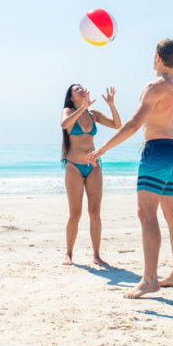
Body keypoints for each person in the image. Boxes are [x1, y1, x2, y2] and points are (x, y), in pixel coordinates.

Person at [86, 39, 173, 299]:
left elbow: (134, 123)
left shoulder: (154, 86)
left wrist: (103, 148)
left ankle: (150, 279)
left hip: (157, 150)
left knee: (146, 214)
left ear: (158, 58)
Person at [60, 85, 121, 266]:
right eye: (76, 89)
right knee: (75, 213)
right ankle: (68, 254)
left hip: (93, 166)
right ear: (71, 97)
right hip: (73, 166)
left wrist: (111, 105)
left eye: (82, 87)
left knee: (95, 212)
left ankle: (96, 255)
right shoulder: (68, 110)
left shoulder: (93, 114)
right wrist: (82, 109)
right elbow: (64, 125)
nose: (81, 89)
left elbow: (117, 125)